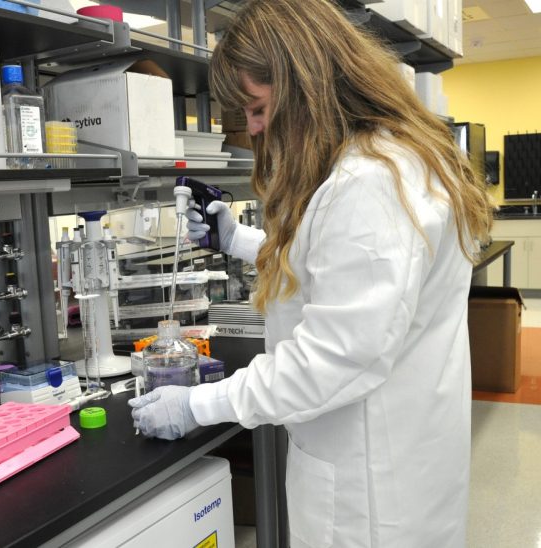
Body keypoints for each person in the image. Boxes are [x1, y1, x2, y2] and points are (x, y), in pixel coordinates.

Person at [128, 0, 493, 546]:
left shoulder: (367, 182)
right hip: (403, 451)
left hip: (365, 486)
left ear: (304, 80)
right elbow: (341, 267)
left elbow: (333, 358)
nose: (253, 129)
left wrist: (200, 404)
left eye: (256, 108)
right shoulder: (392, 155)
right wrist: (240, 241)